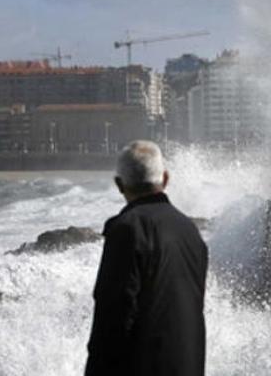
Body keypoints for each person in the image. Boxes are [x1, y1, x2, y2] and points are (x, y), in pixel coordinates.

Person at [86, 140, 208, 376]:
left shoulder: (127, 229)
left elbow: (113, 318)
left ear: (119, 185)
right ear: (165, 179)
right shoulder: (190, 231)